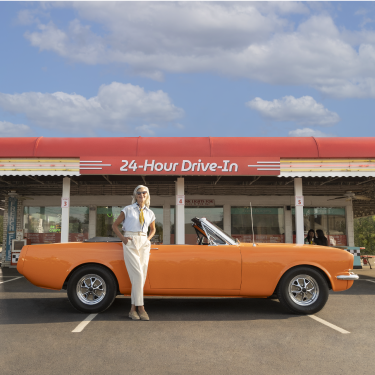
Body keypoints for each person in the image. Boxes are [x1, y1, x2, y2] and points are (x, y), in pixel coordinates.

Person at [112, 185, 156, 321]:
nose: (141, 194)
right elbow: (114, 226)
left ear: (147, 195)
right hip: (130, 241)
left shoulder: (150, 213)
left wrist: (148, 239)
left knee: (141, 277)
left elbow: (153, 229)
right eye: (139, 192)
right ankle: (141, 308)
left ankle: (132, 309)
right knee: (138, 274)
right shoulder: (128, 209)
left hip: (144, 242)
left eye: (144, 192)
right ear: (135, 195)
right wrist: (123, 239)